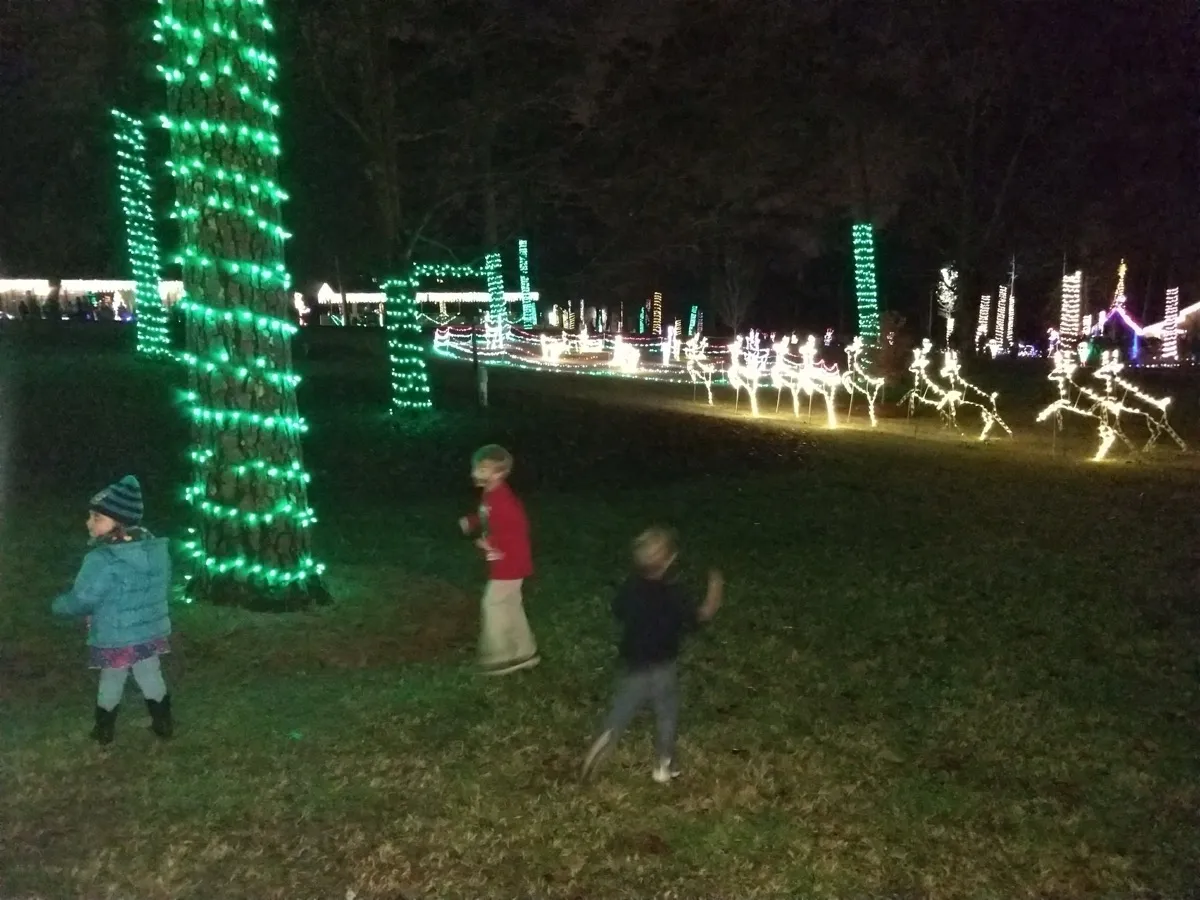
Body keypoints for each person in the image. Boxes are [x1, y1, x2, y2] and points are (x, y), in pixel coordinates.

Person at [582, 527, 723, 783]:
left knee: (622, 708)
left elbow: (618, 610)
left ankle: (605, 738)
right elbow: (699, 618)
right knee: (667, 713)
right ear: (669, 560)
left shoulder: (631, 587)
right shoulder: (674, 595)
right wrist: (715, 590)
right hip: (662, 666)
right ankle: (663, 765)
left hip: (633, 662)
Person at [51, 476, 173, 744]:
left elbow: (83, 598)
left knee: (112, 679)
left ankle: (103, 730)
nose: (89, 523)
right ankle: (163, 723)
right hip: (148, 631)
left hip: (116, 634)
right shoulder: (156, 551)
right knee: (150, 674)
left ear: (117, 522)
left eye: (97, 517)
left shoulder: (102, 559)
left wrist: (59, 605)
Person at [458, 444, 538, 675]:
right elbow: (488, 515)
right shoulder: (491, 494)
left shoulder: (505, 500)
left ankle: (500, 656)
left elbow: (517, 528)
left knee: (493, 604)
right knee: (511, 605)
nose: (475, 473)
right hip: (505, 563)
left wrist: (492, 543)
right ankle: (525, 652)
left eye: (482, 470)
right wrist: (472, 521)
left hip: (510, 564)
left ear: (499, 473)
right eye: (476, 468)